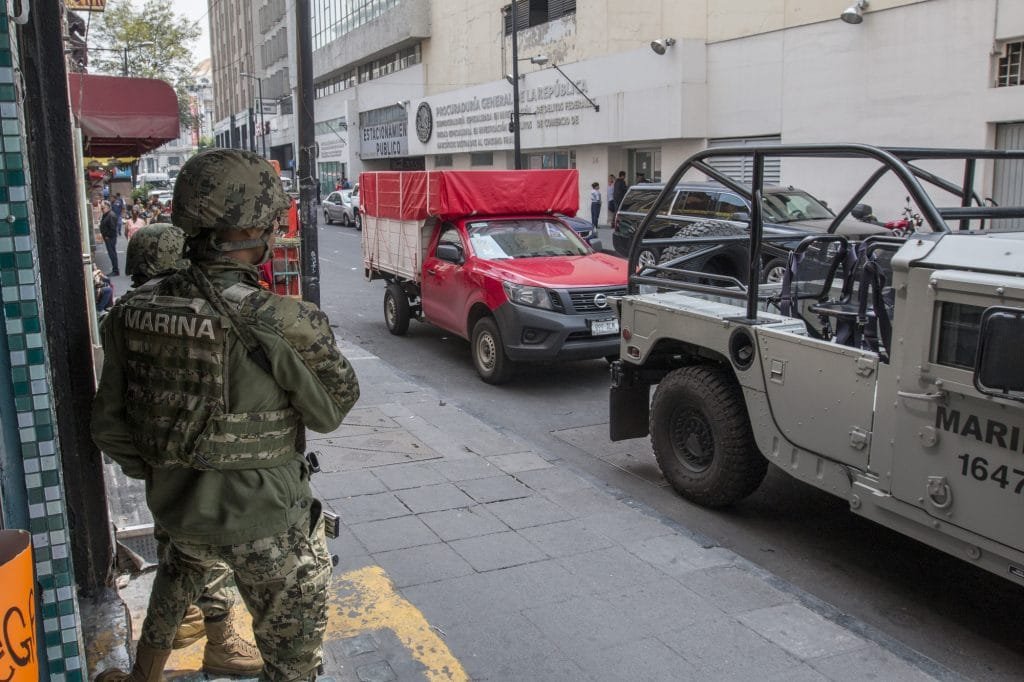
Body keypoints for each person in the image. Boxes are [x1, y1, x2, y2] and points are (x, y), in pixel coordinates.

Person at [92, 148, 360, 682]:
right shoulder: (285, 319)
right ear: (257, 227)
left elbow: (107, 427)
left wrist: (170, 467)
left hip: (178, 516)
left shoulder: (131, 311)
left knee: (175, 587)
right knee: (292, 666)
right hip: (266, 526)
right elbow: (331, 409)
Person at [123, 222, 264, 677]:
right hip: (205, 478)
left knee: (179, 563)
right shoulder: (202, 317)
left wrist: (152, 465)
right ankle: (215, 639)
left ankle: (162, 655)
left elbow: (111, 423)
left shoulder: (125, 315)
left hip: (162, 474)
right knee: (199, 559)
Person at [98, 199, 120, 276]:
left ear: (107, 207)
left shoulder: (111, 215)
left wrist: (107, 236)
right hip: (108, 237)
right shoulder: (107, 214)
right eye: (101, 208)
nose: (102, 210)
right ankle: (115, 269)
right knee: (111, 254)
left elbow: (113, 228)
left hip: (110, 238)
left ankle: (115, 270)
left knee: (112, 254)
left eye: (102, 208)